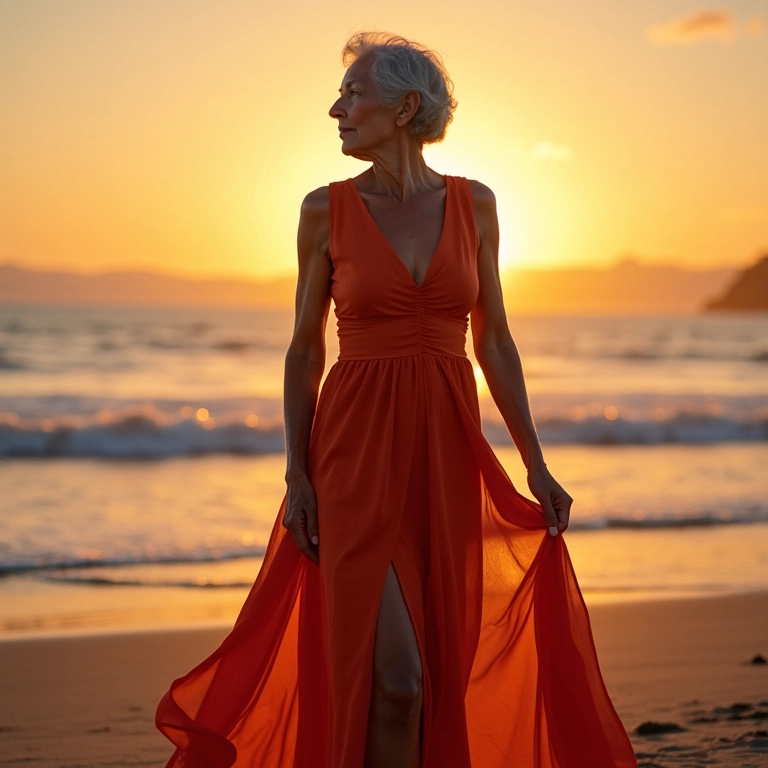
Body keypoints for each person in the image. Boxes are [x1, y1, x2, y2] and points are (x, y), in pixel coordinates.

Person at [156, 32, 637, 768]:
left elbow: (495, 341)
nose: (335, 109)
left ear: (405, 107)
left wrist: (535, 464)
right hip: (352, 456)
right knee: (398, 681)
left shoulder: (477, 205)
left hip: (446, 456)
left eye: (353, 95)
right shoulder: (325, 210)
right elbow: (305, 348)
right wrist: (296, 473)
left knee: (435, 675)